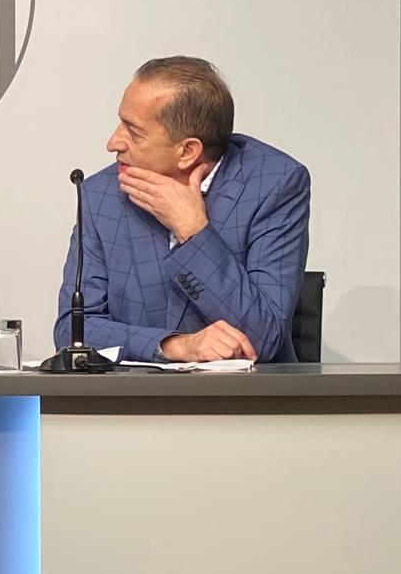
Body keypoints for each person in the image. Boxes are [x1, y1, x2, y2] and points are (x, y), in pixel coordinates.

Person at [54, 57, 310, 363]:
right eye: (121, 122)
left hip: (243, 403)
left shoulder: (274, 185)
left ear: (187, 151)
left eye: (133, 132)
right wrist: (174, 346)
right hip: (131, 402)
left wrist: (194, 232)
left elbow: (263, 339)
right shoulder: (101, 195)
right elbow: (74, 331)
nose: (113, 143)